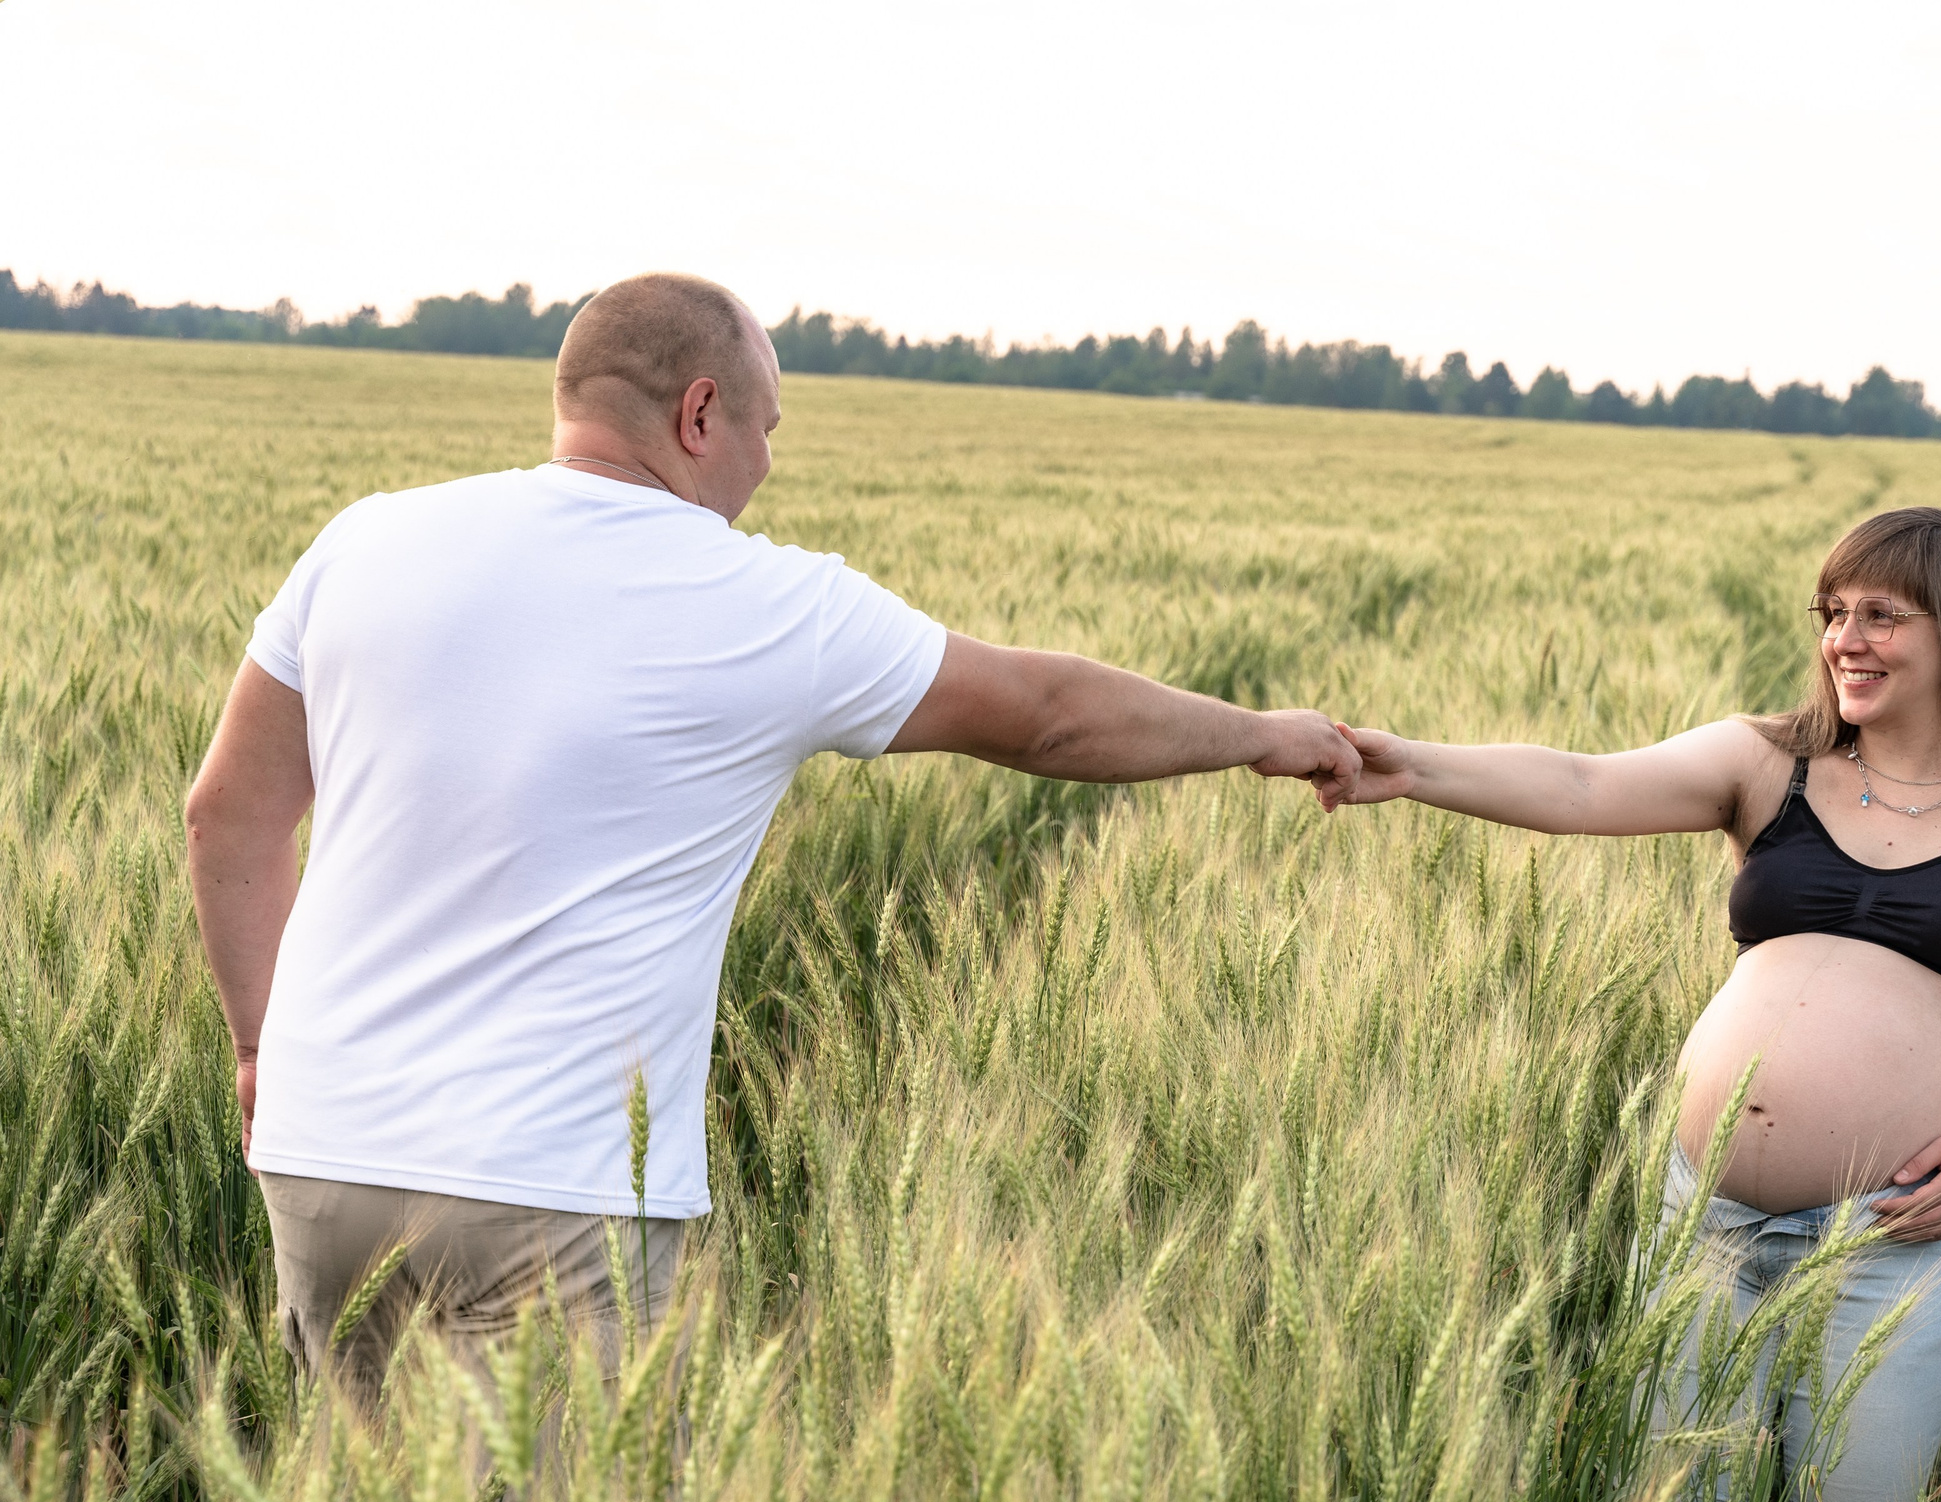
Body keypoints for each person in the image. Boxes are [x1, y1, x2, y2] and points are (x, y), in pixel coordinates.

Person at [184, 271, 1362, 1404]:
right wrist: (1256, 732)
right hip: (550, 1191)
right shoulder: (766, 603)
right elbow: (1048, 715)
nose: (766, 465)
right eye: (768, 428)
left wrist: (259, 1046)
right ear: (701, 413)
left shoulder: (366, 541)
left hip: (319, 1153)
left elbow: (227, 811)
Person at [1322, 507, 1941, 1502]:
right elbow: (1583, 780)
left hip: (1895, 1240)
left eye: (1878, 616)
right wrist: (1416, 768)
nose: (1843, 641)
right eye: (1830, 614)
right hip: (1701, 1222)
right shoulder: (1771, 764)